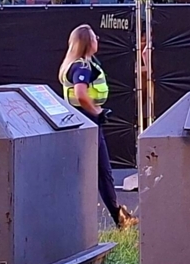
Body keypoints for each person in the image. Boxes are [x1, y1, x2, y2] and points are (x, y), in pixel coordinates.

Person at [59, 24, 138, 230]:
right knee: (103, 172)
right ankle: (120, 218)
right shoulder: (82, 67)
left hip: (79, 120)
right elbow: (81, 94)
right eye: (95, 37)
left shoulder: (78, 63)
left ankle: (118, 216)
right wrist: (97, 112)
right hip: (87, 121)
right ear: (87, 42)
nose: (98, 39)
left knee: (93, 171)